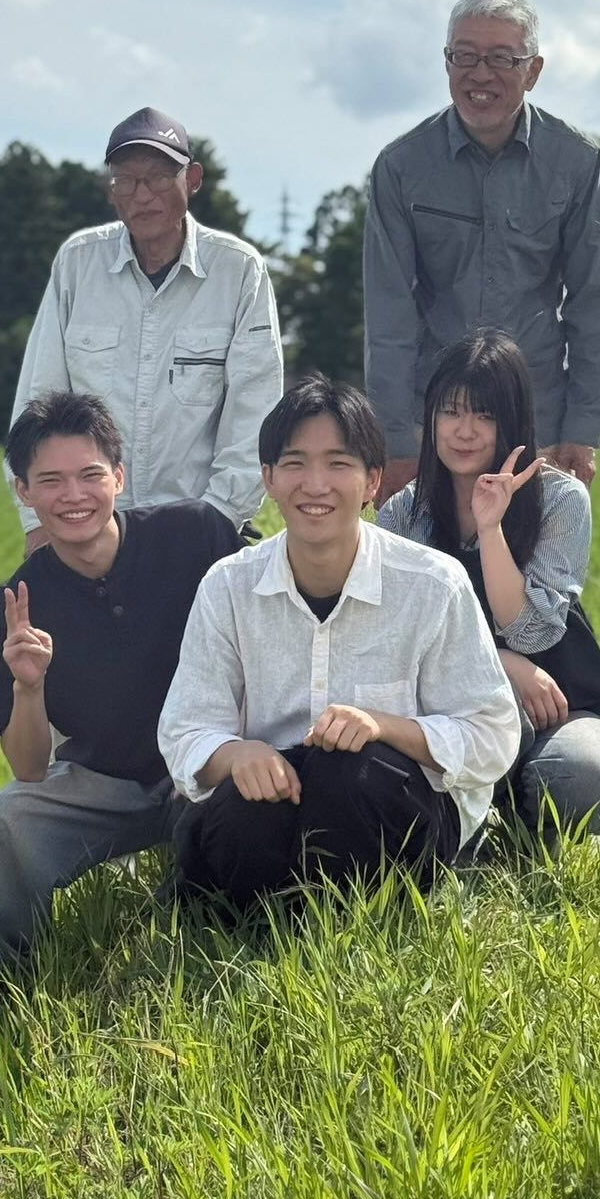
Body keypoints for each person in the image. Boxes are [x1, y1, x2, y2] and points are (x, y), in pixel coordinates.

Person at [157, 376, 521, 908]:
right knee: (250, 800)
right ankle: (269, 927)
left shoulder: (432, 583)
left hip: (389, 805)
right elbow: (185, 730)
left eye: (339, 463)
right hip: (274, 802)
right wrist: (238, 754)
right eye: (296, 463)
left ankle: (350, 918)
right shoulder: (227, 586)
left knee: (347, 769)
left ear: (374, 481)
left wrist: (383, 727)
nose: (316, 484)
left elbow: (492, 735)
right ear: (269, 479)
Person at [0, 390, 241, 965]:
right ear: (24, 491)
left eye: (90, 474)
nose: (73, 497)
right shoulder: (14, 605)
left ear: (118, 476)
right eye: (51, 481)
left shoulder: (194, 536)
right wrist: (28, 686)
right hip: (104, 782)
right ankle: (5, 990)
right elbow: (30, 768)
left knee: (251, 814)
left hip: (210, 760)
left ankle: (223, 957)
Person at [363, 0, 600, 503]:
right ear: (446, 62)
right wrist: (395, 441)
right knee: (430, 577)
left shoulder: (577, 164)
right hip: (434, 424)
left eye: (501, 59)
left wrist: (583, 428)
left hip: (538, 419)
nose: (479, 74)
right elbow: (388, 316)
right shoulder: (400, 168)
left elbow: (599, 300)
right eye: (464, 56)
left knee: (531, 579)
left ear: (533, 70)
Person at [377, 329, 600, 841]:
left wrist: (492, 526)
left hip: (556, 699)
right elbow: (392, 639)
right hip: (451, 704)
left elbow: (531, 633)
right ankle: (470, 820)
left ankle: (525, 828)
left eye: (485, 415)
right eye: (451, 411)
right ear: (431, 418)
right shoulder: (404, 513)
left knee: (588, 775)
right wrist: (502, 664)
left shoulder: (560, 500)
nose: (464, 431)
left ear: (513, 419)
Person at [8, 106, 283, 552]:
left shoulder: (238, 271)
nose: (142, 194)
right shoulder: (78, 263)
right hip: (87, 532)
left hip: (197, 530)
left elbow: (256, 410)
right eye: (125, 180)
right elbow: (40, 397)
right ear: (111, 189)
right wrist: (36, 522)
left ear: (192, 180)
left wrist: (217, 521)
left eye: (157, 177)